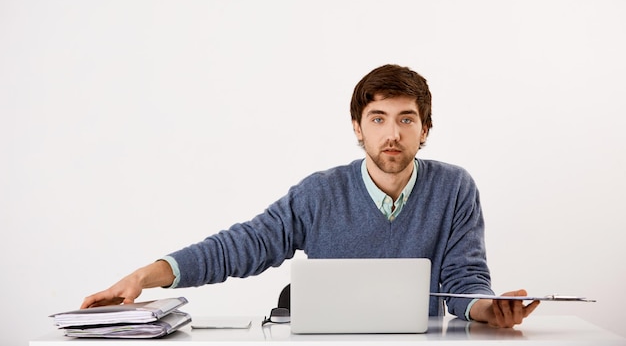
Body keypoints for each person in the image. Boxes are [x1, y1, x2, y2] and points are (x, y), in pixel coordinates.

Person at [81, 64, 539, 328]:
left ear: (426, 129)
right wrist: (146, 275)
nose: (393, 133)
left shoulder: (454, 188)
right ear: (358, 129)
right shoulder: (320, 193)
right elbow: (245, 244)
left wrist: (487, 308)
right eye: (378, 118)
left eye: (406, 119)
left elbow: (462, 281)